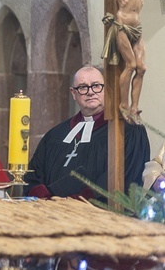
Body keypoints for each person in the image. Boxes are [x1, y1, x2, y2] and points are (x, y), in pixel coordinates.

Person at [60, 0, 165, 124]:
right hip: (122, 27)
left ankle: (134, 108)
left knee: (142, 68)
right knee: (131, 65)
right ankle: (123, 104)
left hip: (137, 28)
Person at [24, 65, 149, 199]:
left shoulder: (129, 132)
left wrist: (79, 200)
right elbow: (33, 177)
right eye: (83, 87)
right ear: (73, 93)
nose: (90, 92)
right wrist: (46, 197)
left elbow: (127, 179)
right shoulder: (55, 135)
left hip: (96, 215)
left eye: (96, 85)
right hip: (50, 214)